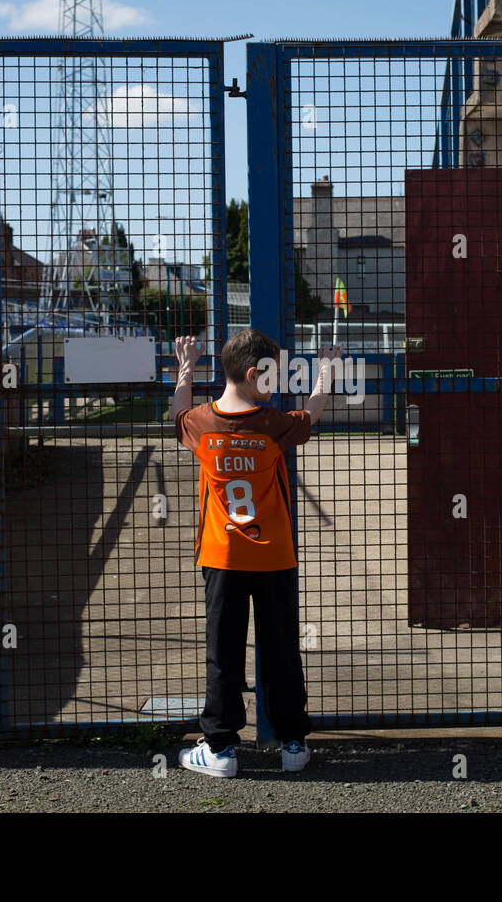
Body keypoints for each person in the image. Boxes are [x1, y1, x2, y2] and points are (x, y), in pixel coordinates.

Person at [172, 328, 343, 777]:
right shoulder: (271, 424)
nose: (276, 382)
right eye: (271, 375)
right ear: (252, 374)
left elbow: (178, 411)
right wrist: (324, 372)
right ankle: (292, 743)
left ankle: (222, 749)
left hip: (223, 557)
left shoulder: (201, 425)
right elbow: (312, 413)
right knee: (282, 649)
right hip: (275, 558)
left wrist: (186, 365)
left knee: (223, 652)